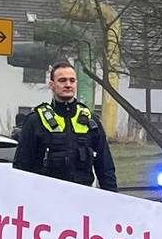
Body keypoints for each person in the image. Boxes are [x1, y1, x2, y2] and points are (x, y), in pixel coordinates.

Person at [11, 60, 116, 191]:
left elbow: (105, 168)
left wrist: (114, 203)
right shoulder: (35, 121)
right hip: (46, 199)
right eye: (62, 80)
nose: (68, 85)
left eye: (72, 80)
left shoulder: (91, 121)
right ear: (51, 85)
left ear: (76, 84)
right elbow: (21, 167)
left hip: (82, 199)